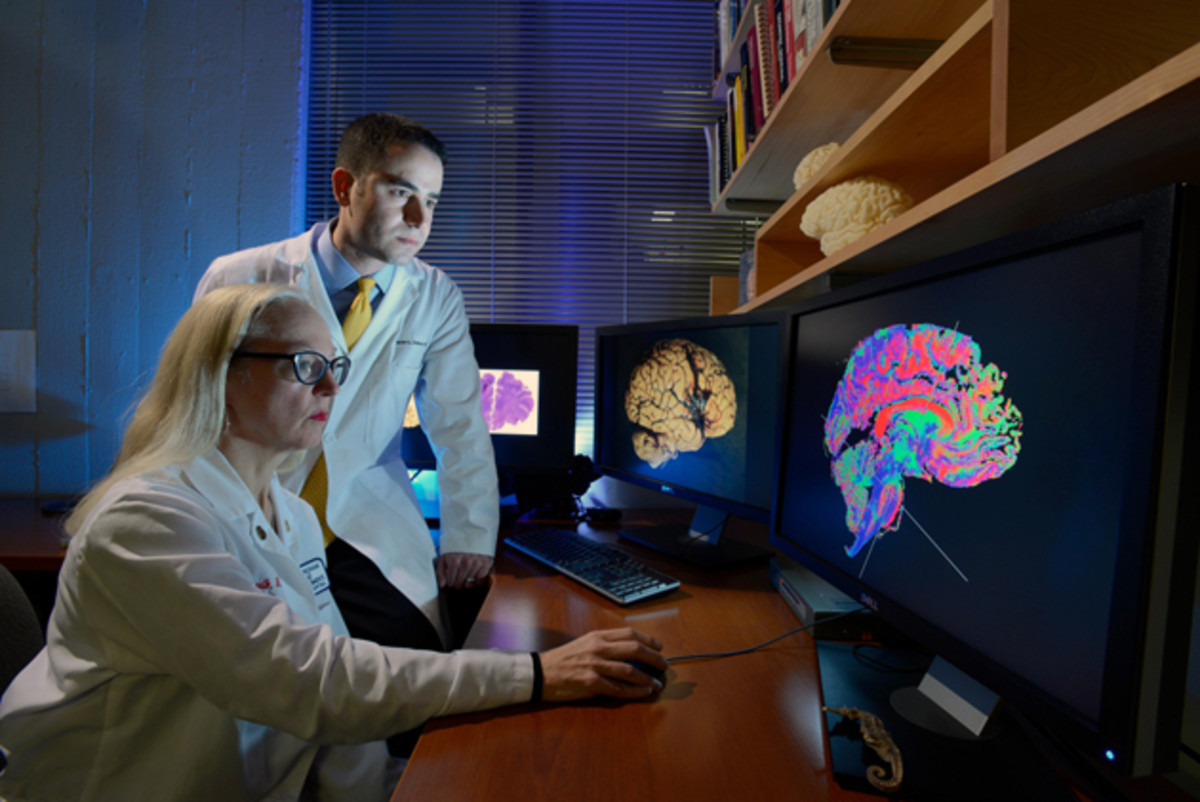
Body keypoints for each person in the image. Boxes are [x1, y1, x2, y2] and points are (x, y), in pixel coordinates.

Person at [0, 284, 667, 802]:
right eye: (304, 364)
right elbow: (311, 683)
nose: (331, 386)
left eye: (335, 365)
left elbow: (334, 699)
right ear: (221, 375)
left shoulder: (289, 516)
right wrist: (538, 674)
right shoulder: (147, 522)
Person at [194, 113, 490, 654]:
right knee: (255, 657)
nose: (419, 217)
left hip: (363, 517)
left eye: (433, 200)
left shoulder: (435, 297)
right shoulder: (239, 278)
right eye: (401, 191)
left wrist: (469, 537)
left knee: (414, 654)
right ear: (344, 187)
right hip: (254, 505)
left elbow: (460, 423)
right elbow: (198, 411)